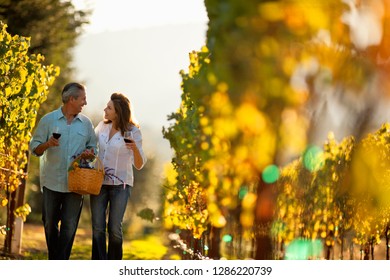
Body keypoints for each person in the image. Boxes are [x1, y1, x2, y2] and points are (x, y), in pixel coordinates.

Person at [29, 82, 97, 260]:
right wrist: (47, 144)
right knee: (50, 223)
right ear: (71, 99)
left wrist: (88, 154)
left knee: (69, 226)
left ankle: (60, 262)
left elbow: (93, 150)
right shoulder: (48, 120)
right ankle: (55, 259)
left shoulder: (86, 124)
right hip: (51, 181)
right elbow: (35, 148)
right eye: (83, 99)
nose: (85, 103)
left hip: (76, 184)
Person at [91, 93, 147, 260]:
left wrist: (135, 148)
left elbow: (139, 164)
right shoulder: (101, 127)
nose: (105, 109)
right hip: (99, 182)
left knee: (114, 227)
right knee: (98, 227)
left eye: (109, 108)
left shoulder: (133, 132)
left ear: (119, 111)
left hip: (121, 185)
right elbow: (92, 148)